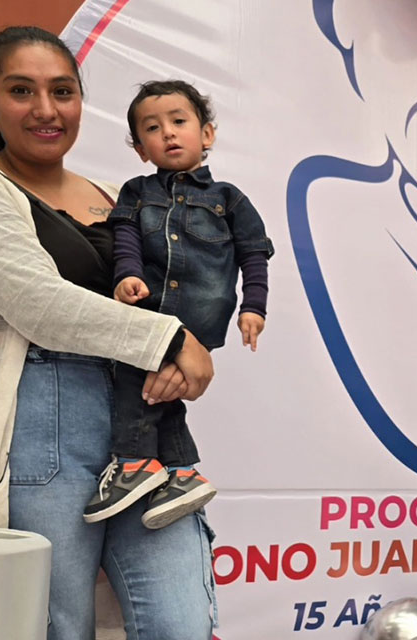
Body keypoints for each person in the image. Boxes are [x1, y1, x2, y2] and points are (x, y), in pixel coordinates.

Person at [0, 26, 217, 639]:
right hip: (40, 427)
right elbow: (37, 303)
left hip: (141, 426)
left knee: (182, 623)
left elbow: (171, 288)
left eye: (62, 90)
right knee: (54, 626)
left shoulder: (112, 196)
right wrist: (169, 341)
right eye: (21, 90)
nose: (45, 109)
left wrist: (192, 346)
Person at [82, 80, 272, 530]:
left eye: (179, 121)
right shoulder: (135, 191)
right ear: (140, 148)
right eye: (152, 127)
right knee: (163, 387)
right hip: (151, 305)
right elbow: (125, 237)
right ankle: (181, 473)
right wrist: (127, 274)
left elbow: (254, 253)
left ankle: (133, 462)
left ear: (206, 134)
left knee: (135, 377)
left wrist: (255, 307)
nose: (168, 133)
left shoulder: (230, 199)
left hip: (202, 311)